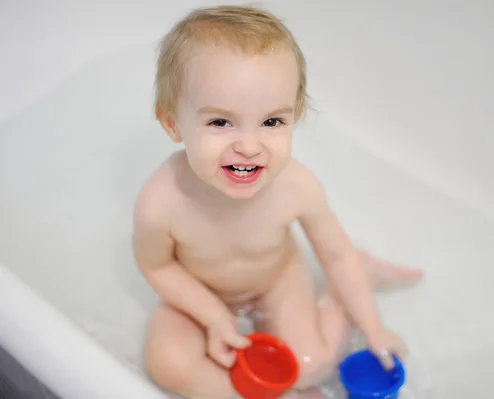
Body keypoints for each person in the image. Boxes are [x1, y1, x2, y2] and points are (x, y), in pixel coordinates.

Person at [132, 5, 423, 398]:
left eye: (272, 122)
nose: (249, 146)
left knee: (310, 367)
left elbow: (335, 256)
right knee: (167, 362)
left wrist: (372, 328)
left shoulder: (296, 187)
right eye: (220, 122)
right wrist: (213, 314)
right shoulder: (162, 200)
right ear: (172, 123)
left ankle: (346, 293)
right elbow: (157, 266)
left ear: (294, 117)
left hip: (275, 282)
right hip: (198, 291)